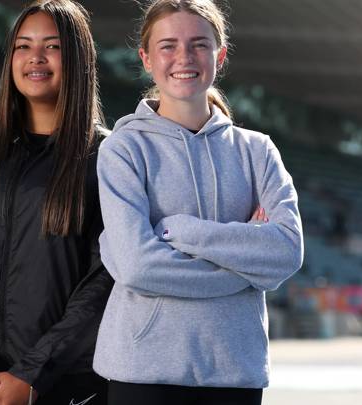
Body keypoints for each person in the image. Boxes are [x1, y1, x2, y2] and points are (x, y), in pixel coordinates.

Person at [92, 1, 303, 404]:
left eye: (199, 45)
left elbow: (287, 253)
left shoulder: (257, 151)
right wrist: (245, 264)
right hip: (142, 371)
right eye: (168, 45)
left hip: (234, 370)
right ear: (147, 58)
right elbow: (138, 265)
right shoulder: (123, 149)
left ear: (219, 56)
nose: (184, 58)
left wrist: (182, 231)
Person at [0, 1, 112, 404]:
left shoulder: (107, 156)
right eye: (23, 46)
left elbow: (104, 279)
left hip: (63, 384)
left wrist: (31, 375)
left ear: (78, 58)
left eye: (52, 46)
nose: (35, 58)